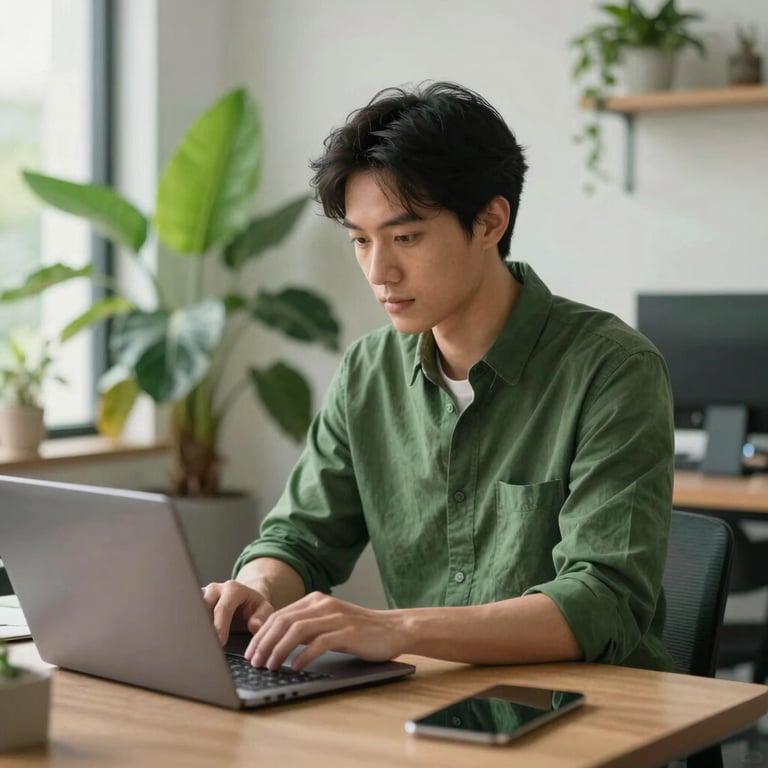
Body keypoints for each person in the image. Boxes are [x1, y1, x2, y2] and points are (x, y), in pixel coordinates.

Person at [204, 81, 674, 674]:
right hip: (432, 707)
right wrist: (259, 586)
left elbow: (603, 600)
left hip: (589, 713)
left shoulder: (612, 370)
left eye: (405, 237)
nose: (379, 270)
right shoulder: (367, 371)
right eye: (360, 240)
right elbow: (300, 536)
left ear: (490, 222)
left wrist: (394, 628)